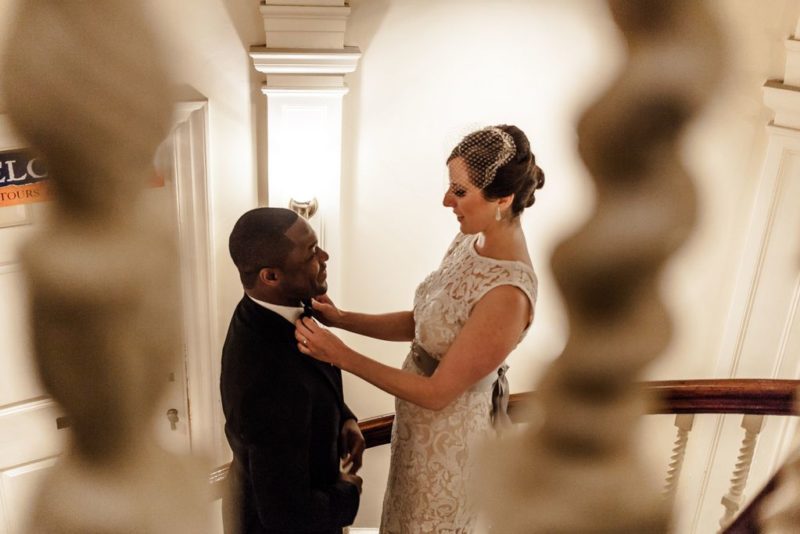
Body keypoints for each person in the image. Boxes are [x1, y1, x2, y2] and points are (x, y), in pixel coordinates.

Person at [295, 125, 545, 533]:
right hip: (416, 431)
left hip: (448, 444)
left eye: (460, 192)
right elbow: (423, 322)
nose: (447, 200)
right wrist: (344, 319)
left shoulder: (508, 295)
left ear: (504, 198)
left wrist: (341, 355)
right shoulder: (471, 241)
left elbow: (437, 392)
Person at [220, 207, 364, 534]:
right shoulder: (264, 374)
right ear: (270, 276)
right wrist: (350, 491)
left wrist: (344, 417)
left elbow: (307, 381)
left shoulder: (272, 310)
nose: (325, 256)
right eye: (312, 252)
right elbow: (286, 514)